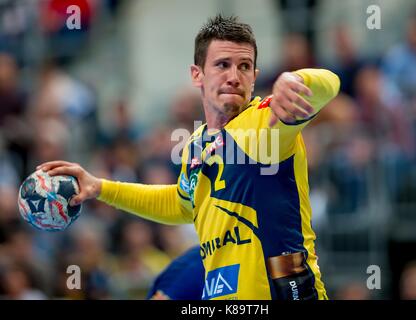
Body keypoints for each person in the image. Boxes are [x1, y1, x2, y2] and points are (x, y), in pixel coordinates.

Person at [37, 14, 340, 300]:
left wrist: (298, 81)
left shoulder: (265, 123)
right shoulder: (197, 143)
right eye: (222, 65)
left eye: (245, 66)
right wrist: (101, 188)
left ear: (255, 75)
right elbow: (182, 203)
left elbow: (328, 84)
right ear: (197, 74)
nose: (234, 76)